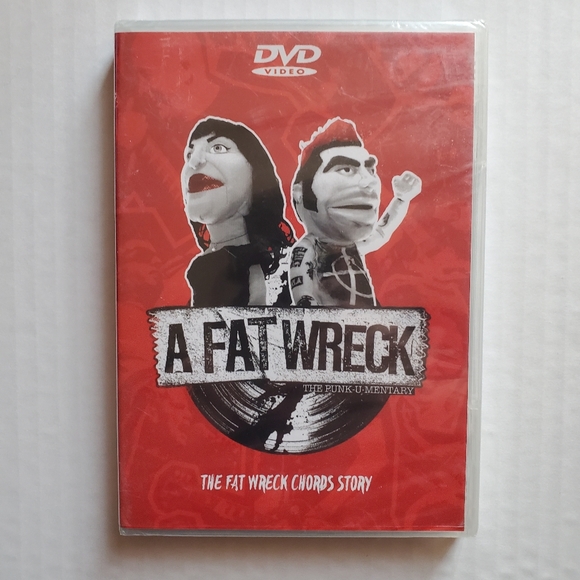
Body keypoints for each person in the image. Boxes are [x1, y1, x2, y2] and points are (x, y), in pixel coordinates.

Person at [289, 117, 421, 307]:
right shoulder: (310, 247)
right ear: (301, 193)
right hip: (328, 322)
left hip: (365, 320)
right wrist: (305, 301)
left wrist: (401, 199)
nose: (369, 182)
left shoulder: (352, 248)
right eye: (345, 169)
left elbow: (382, 232)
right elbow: (300, 275)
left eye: (370, 170)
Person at [181, 117, 294, 307]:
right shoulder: (203, 269)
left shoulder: (291, 266)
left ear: (256, 173)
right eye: (189, 154)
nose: (194, 162)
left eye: (218, 148)